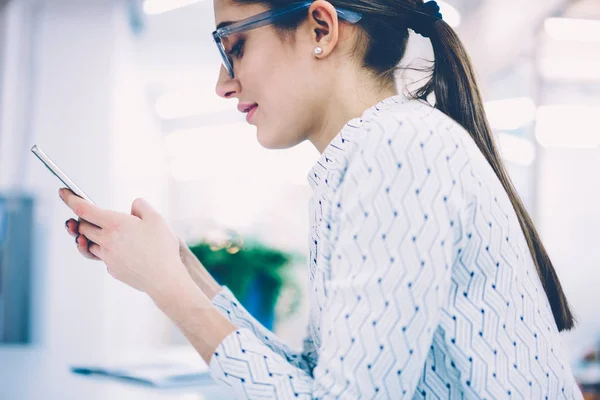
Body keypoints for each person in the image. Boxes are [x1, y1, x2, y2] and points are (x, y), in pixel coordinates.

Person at [62, 0, 583, 398]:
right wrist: (178, 266)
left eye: (232, 46)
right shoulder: (367, 154)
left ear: (320, 28)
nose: (223, 83)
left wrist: (164, 286)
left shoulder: (397, 150)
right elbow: (321, 380)